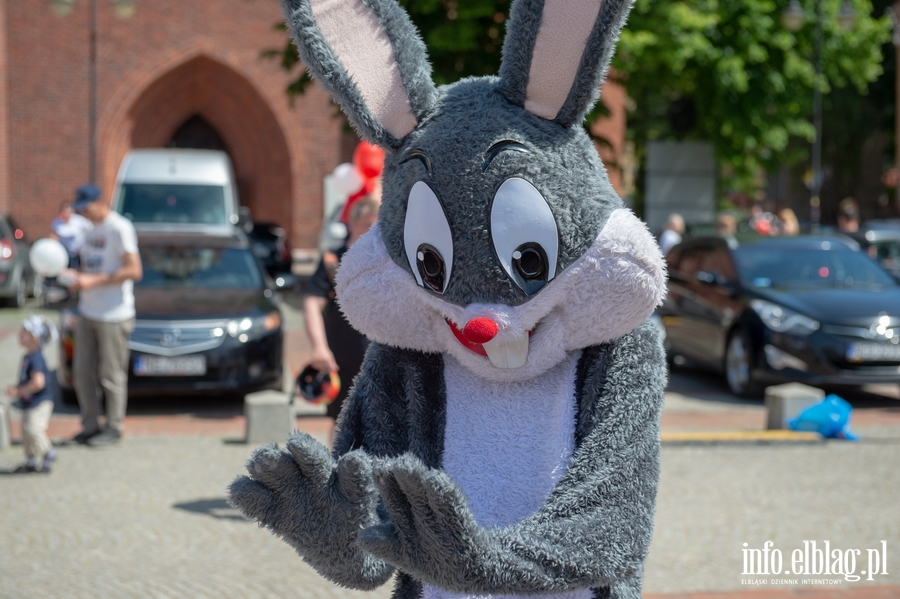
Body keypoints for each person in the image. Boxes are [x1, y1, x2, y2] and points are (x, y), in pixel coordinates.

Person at [61, 184, 143, 447]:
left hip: (114, 314)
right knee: (82, 372)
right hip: (88, 311)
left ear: (100, 201)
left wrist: (93, 281)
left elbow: (134, 271)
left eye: (87, 206)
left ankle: (114, 428)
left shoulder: (119, 228)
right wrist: (75, 277)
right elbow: (87, 264)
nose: (83, 212)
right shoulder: (86, 227)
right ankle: (90, 425)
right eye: (80, 208)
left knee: (111, 375)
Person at [302, 196, 379, 441]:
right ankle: (338, 475)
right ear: (352, 225)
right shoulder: (332, 262)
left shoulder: (387, 260)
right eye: (367, 225)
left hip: (382, 359)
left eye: (377, 225)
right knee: (341, 424)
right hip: (343, 360)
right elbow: (312, 302)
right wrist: (319, 348)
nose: (373, 232)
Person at [6, 316, 58, 473]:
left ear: (34, 338)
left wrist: (19, 391)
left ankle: (48, 453)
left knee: (33, 429)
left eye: (24, 332)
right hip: (30, 402)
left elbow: (38, 382)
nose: (19, 334)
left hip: (39, 402)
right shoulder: (28, 357)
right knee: (25, 432)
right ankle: (31, 459)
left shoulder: (36, 358)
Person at [50, 200, 91, 269]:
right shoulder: (57, 223)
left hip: (79, 254)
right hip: (64, 253)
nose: (67, 214)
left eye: (68, 212)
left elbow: (90, 231)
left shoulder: (80, 221)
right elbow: (54, 235)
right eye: (65, 211)